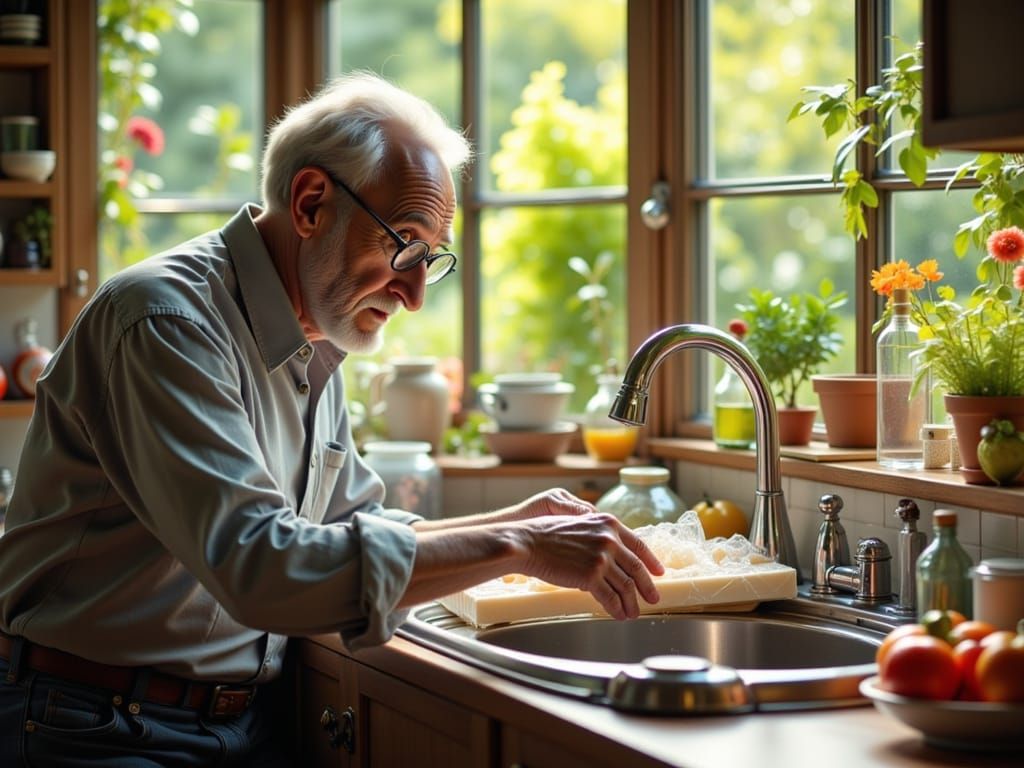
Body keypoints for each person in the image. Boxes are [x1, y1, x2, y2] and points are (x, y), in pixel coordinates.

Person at [0, 72, 663, 766]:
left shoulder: (311, 337)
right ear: (311, 203)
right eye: (403, 243)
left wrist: (518, 523)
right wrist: (518, 547)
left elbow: (344, 530)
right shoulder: (167, 323)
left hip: (233, 722)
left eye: (429, 259)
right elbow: (263, 566)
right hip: (90, 726)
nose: (412, 294)